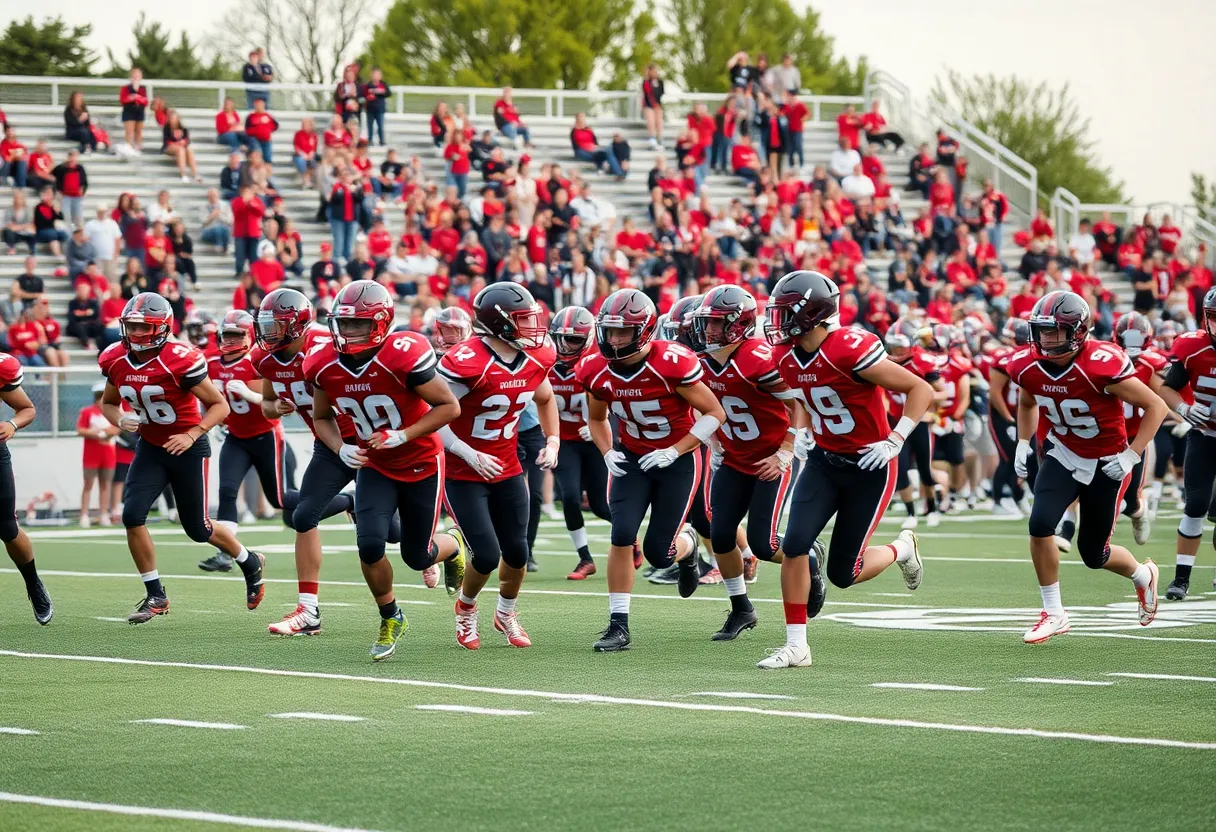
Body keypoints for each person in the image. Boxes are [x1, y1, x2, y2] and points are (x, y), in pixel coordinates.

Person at [761, 270, 931, 668]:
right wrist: (801, 431)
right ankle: (797, 645)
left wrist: (896, 439)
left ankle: (901, 548)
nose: (777, 322)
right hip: (823, 461)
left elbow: (920, 389)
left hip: (869, 467)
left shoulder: (849, 349)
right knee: (795, 545)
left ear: (812, 314)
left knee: (843, 573)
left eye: (785, 313)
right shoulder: (784, 355)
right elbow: (805, 394)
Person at [305, 281, 469, 659]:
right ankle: (391, 615)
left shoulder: (404, 355)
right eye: (343, 324)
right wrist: (340, 447)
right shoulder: (323, 363)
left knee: (417, 556)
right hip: (375, 466)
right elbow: (321, 416)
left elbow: (449, 407)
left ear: (380, 323)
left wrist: (403, 435)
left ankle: (454, 546)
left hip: (423, 463)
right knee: (370, 544)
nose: (347, 333)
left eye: (358, 325)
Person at [997, 291, 1165, 644]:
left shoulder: (1100, 363)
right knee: (1040, 523)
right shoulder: (1025, 365)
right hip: (1064, 452)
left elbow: (1156, 406)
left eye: (1054, 331)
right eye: (1041, 331)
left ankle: (1142, 574)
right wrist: (1024, 443)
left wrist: (1132, 455)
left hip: (1108, 461)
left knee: (1094, 554)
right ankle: (1054, 613)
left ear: (1077, 331)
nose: (1045, 339)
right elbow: (1028, 401)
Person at [98, 292, 266, 623]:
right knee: (132, 515)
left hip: (188, 447)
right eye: (130, 327)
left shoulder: (179, 358)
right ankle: (156, 595)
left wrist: (192, 433)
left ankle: (249, 560)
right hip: (150, 446)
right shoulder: (116, 359)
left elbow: (220, 406)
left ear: (161, 329)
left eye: (142, 328)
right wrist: (119, 420)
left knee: (198, 528)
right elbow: (108, 403)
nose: (134, 335)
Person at [577, 288, 725, 652]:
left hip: (676, 461)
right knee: (622, 533)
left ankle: (688, 551)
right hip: (631, 458)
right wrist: (607, 450)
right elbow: (597, 418)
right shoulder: (595, 369)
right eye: (609, 331)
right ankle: (618, 624)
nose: (613, 339)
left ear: (643, 330)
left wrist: (675, 450)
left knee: (660, 554)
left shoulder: (671, 362)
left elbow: (714, 413)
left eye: (623, 332)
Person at [438, 283, 560, 650]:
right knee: (488, 554)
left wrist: (553, 439)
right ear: (499, 323)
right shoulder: (466, 361)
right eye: (523, 320)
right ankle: (466, 607)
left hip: (507, 466)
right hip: (464, 470)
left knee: (518, 551)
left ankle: (506, 613)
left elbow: (545, 396)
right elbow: (435, 414)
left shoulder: (536, 357)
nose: (532, 327)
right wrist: (466, 451)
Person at [690, 285, 811, 638]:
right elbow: (700, 405)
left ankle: (810, 559)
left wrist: (786, 451)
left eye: (716, 324)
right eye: (706, 324)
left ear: (738, 324)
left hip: (771, 456)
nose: (708, 331)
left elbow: (799, 404)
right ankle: (741, 608)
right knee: (721, 534)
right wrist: (713, 442)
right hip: (733, 458)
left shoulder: (758, 357)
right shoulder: (701, 362)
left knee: (763, 543)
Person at [249, 289, 357, 632]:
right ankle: (308, 611)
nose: (268, 333)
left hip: (368, 437)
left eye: (275, 325)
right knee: (303, 514)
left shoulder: (327, 345)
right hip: (328, 442)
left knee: (403, 540)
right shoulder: (265, 358)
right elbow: (267, 403)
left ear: (296, 325)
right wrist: (274, 408)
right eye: (265, 325)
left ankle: (444, 548)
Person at [1158, 288, 1216, 600]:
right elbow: (1168, 388)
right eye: (1215, 317)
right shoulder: (1192, 346)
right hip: (1205, 436)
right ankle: (1181, 578)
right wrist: (1184, 409)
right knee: (1195, 505)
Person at [543, 307, 609, 579]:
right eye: (559, 338)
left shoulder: (599, 363)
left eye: (572, 340)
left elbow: (622, 402)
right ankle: (585, 558)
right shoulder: (545, 365)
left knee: (602, 505)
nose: (563, 346)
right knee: (569, 497)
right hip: (565, 441)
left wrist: (597, 425)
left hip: (594, 442)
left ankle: (631, 540)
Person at [0, 350, 51, 622]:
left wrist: (11, 424)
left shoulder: (2, 368)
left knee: (7, 527)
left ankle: (33, 583)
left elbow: (27, 409)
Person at [1111, 312, 1167, 545]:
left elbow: (1166, 397)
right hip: (1108, 433)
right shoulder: (1106, 358)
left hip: (1136, 436)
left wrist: (1185, 416)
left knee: (1131, 498)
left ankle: (1138, 512)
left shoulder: (1151, 364)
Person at [77, 381, 117, 528]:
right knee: (88, 484)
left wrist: (107, 433)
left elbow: (117, 429)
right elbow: (80, 430)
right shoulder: (87, 412)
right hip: (91, 453)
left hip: (108, 453)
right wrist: (95, 433)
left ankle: (104, 514)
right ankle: (84, 514)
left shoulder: (113, 411)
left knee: (105, 484)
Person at [570, 113, 625, 178]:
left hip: (593, 149)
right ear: (576, 120)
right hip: (581, 151)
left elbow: (595, 143)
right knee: (601, 154)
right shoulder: (574, 131)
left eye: (583, 119)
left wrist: (594, 147)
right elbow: (575, 146)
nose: (582, 121)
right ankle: (615, 171)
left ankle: (613, 171)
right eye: (580, 119)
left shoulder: (589, 130)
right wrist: (588, 148)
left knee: (607, 150)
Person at [85, 204, 122, 281]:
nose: (102, 213)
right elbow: (86, 240)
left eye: (103, 211)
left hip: (109, 256)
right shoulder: (91, 224)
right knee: (98, 279)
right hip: (96, 257)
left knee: (111, 278)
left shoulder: (112, 224)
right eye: (100, 211)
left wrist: (116, 254)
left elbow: (118, 239)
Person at [66, 278, 103, 348]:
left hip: (90, 325)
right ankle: (86, 343)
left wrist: (80, 314)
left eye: (84, 291)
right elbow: (72, 316)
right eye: (81, 291)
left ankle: (100, 346)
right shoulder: (73, 303)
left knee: (100, 327)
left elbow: (95, 314)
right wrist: (86, 313)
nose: (83, 293)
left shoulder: (93, 303)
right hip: (77, 326)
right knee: (80, 327)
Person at [119, 68, 148, 152]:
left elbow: (145, 101)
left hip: (140, 111)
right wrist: (134, 98)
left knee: (138, 132)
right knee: (129, 132)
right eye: (134, 75)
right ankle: (129, 148)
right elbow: (123, 100)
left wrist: (136, 97)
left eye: (138, 75)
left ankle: (138, 148)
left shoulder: (142, 88)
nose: (136, 77)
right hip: (129, 111)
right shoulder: (125, 88)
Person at [362, 67, 390, 146]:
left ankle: (381, 140)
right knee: (370, 126)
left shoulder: (383, 84)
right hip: (370, 109)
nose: (376, 76)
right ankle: (370, 140)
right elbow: (363, 95)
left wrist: (380, 92)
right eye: (374, 74)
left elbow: (388, 93)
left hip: (380, 109)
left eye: (378, 74)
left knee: (380, 126)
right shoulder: (368, 85)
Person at [244, 98, 279, 163]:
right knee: (257, 156)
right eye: (257, 105)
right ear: (255, 106)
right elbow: (247, 129)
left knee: (267, 159)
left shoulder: (268, 116)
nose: (259, 106)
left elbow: (276, 125)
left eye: (261, 104)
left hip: (266, 140)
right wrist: (256, 131)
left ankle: (268, 172)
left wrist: (268, 131)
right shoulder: (251, 116)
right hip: (255, 140)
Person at [641, 64, 665, 150]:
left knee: (659, 121)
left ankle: (660, 139)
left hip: (658, 104)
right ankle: (652, 138)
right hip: (649, 104)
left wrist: (657, 103)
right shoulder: (646, 82)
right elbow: (647, 93)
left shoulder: (660, 82)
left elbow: (661, 92)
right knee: (651, 121)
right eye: (653, 71)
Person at [292, 118, 320, 189]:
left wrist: (312, 153)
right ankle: (306, 182)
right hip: (300, 154)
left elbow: (314, 147)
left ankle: (306, 182)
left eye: (307, 124)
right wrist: (303, 154)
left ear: (311, 126)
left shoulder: (314, 135)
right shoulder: (298, 134)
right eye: (303, 124)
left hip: (310, 155)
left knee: (312, 161)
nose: (304, 126)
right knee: (302, 161)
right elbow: (296, 147)